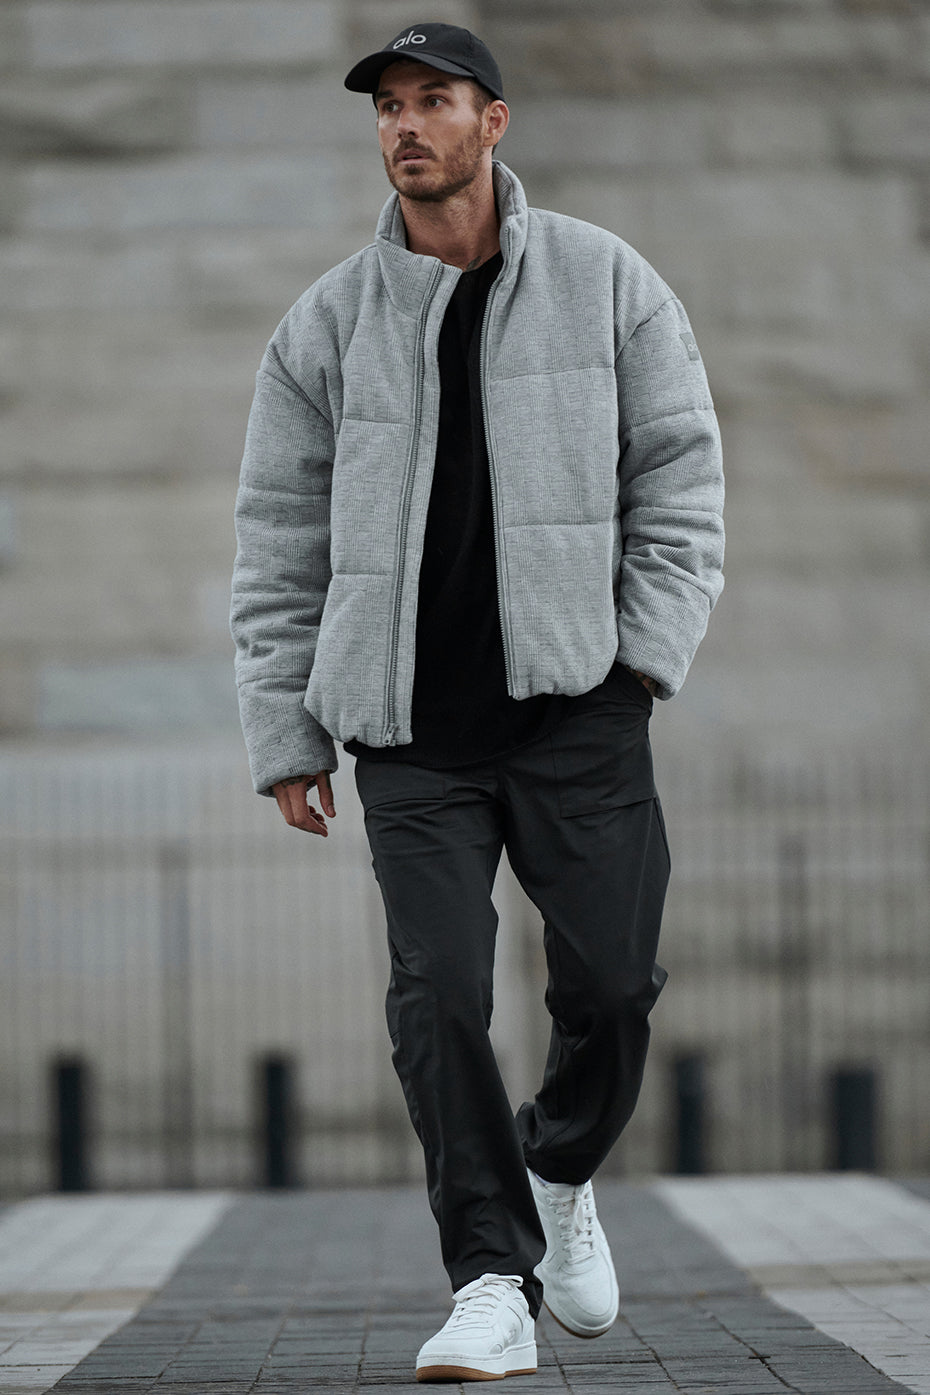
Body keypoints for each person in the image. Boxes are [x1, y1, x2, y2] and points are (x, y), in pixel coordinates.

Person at [231, 21, 724, 1383]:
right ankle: (489, 1281)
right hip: (409, 737)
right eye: (388, 105)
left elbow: (680, 479)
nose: (406, 124)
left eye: (433, 99)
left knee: (613, 986)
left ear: (491, 122)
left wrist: (637, 659)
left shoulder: (606, 282)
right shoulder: (325, 325)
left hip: (579, 714)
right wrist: (288, 727)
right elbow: (277, 543)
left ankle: (558, 1171)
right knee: (439, 993)